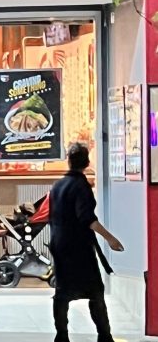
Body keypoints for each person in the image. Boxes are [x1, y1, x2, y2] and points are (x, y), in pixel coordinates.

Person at [50, 142, 124, 342]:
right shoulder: (81, 186)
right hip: (78, 248)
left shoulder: (58, 185)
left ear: (69, 161)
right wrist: (110, 238)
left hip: (59, 244)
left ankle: (61, 335)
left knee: (62, 293)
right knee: (95, 293)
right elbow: (87, 218)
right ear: (87, 162)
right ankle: (104, 336)